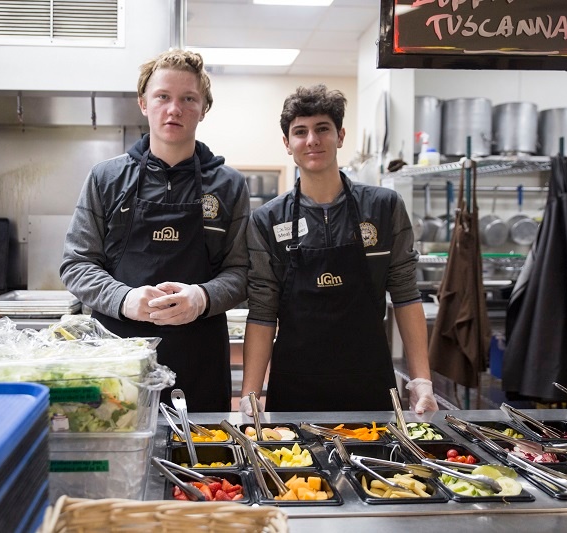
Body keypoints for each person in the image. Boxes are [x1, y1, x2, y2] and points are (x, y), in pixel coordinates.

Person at [61, 49, 249, 412]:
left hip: (200, 360)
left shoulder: (229, 185)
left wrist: (202, 298)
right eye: (163, 96)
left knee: (206, 465)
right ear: (144, 103)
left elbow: (242, 273)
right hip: (117, 358)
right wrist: (125, 299)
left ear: (203, 108)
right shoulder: (106, 178)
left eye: (188, 99)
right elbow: (76, 264)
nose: (174, 109)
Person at [240, 85, 438, 414]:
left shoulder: (384, 207)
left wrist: (421, 381)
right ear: (287, 144)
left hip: (369, 379)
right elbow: (262, 311)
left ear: (340, 136)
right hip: (295, 384)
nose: (312, 140)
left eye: (322, 129)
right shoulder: (266, 220)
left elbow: (405, 294)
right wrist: (251, 393)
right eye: (300, 132)